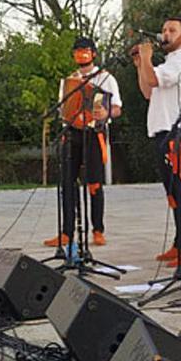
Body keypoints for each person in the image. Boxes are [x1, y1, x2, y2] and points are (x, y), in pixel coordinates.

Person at [133, 17, 181, 268]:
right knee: (174, 192)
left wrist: (146, 59)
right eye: (164, 29)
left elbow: (153, 80)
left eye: (171, 30)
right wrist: (140, 64)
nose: (165, 33)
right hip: (166, 130)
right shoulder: (168, 63)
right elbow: (147, 91)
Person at [45, 36, 122, 249]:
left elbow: (116, 108)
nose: (81, 54)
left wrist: (105, 113)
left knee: (94, 182)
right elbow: (64, 109)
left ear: (94, 53)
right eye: (77, 51)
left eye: (85, 50)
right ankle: (67, 232)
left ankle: (98, 230)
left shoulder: (106, 78)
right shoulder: (69, 81)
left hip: (94, 132)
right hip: (72, 132)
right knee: (67, 183)